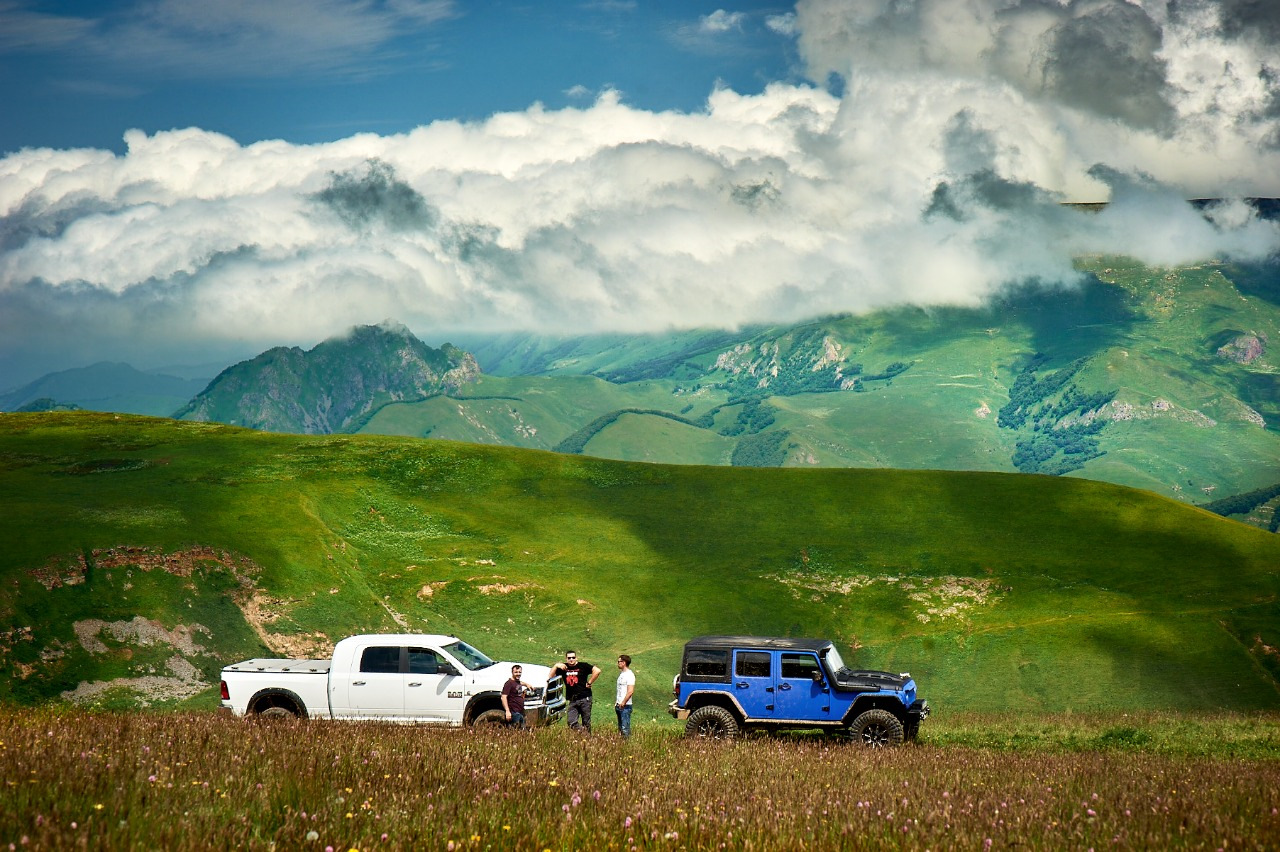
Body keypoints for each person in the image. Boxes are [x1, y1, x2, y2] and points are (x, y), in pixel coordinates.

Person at [550, 650, 600, 731]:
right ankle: (584, 734)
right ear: (566, 659)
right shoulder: (563, 668)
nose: (571, 659)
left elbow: (597, 671)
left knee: (586, 722)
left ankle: (586, 740)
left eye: (573, 657)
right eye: (569, 658)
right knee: (571, 722)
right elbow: (550, 677)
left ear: (576, 658)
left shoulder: (583, 666)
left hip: (585, 697)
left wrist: (590, 682)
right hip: (572, 699)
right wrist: (556, 666)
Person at [615, 654, 635, 738]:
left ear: (624, 662)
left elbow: (630, 691)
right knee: (620, 728)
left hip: (625, 706)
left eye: (619, 661)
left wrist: (623, 702)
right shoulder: (621, 674)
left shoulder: (629, 675)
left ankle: (626, 743)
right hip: (619, 704)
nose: (618, 663)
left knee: (625, 728)